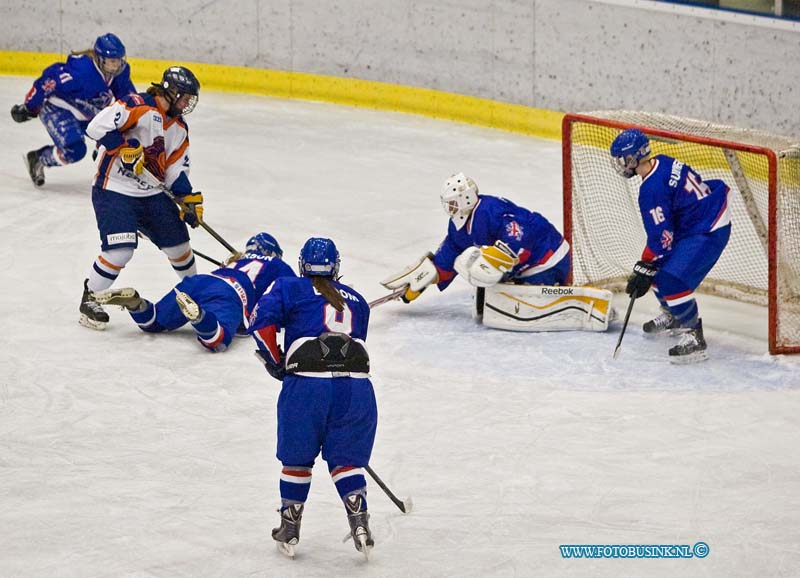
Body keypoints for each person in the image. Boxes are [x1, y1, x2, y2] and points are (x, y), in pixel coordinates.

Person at [248, 237, 377, 559]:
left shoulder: (289, 287)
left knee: (297, 459)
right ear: (336, 267)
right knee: (345, 460)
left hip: (307, 386)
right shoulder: (358, 300)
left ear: (302, 264)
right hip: (357, 389)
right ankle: (360, 522)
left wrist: (276, 362)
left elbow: (259, 326)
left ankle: (290, 526)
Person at [78, 65, 203, 330]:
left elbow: (175, 170)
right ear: (170, 91)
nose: (187, 102)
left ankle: (200, 294)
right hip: (115, 189)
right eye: (184, 96)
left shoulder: (179, 127)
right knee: (121, 250)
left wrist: (186, 198)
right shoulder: (138, 105)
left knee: (180, 247)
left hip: (152, 194)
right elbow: (95, 127)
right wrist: (123, 148)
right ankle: (90, 299)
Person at [610, 128, 731, 363]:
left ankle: (694, 335)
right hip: (699, 220)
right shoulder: (662, 161)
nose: (620, 164)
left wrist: (643, 264)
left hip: (708, 228)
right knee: (656, 271)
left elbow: (661, 239)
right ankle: (674, 315)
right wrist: (648, 265)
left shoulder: (650, 190)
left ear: (634, 158)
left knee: (669, 279)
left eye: (622, 159)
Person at [91, 233, 295, 352]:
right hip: (233, 292)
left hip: (201, 281)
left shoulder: (235, 260)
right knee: (217, 339)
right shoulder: (279, 265)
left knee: (153, 321)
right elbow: (293, 297)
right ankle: (199, 316)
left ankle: (137, 303)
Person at [383, 172, 570, 301]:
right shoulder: (457, 226)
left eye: (453, 203)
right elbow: (450, 255)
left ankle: (551, 286)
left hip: (548, 257)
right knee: (472, 268)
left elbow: (519, 234)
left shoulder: (489, 209)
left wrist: (497, 256)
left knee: (478, 265)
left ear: (466, 198)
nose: (450, 208)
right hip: (523, 268)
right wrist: (425, 278)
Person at [10, 33, 136, 187]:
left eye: (119, 60)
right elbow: (49, 81)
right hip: (59, 107)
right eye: (112, 61)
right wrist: (29, 106)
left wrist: (137, 113)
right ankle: (38, 158)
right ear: (99, 59)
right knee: (74, 150)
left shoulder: (120, 72)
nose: (117, 65)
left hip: (88, 111)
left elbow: (127, 97)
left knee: (118, 140)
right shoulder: (80, 72)